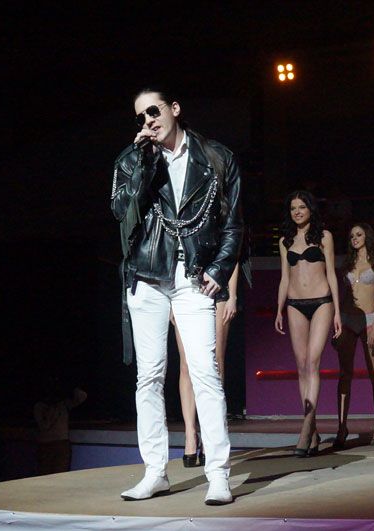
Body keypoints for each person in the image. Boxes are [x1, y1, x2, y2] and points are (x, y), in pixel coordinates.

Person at [110, 87, 242, 504]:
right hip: (147, 276)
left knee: (206, 373)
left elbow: (234, 224)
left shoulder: (216, 157)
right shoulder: (131, 160)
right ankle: (155, 473)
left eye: (153, 111)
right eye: (140, 117)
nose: (148, 120)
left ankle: (218, 474)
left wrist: (220, 271)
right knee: (149, 376)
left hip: (193, 277)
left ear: (175, 109)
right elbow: (122, 212)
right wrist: (143, 163)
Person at [275, 191, 341, 456]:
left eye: (302, 207)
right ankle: (312, 431)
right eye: (293, 208)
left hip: (322, 301)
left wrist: (337, 311)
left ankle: (306, 426)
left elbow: (332, 274)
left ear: (311, 209)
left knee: (313, 362)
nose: (298, 212)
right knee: (302, 366)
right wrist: (279, 309)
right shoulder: (285, 241)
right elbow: (284, 278)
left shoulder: (324, 237)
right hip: (294, 304)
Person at [172, 259, 248, 468]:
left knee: (215, 362)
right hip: (184, 291)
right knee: (186, 363)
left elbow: (232, 255)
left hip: (218, 289)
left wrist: (232, 296)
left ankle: (210, 435)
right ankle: (190, 434)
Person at [333, 223, 374, 447]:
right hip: (348, 319)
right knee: (345, 373)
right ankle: (342, 427)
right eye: (351, 236)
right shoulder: (347, 263)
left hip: (370, 318)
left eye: (359, 234)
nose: (354, 238)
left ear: (367, 236)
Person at [34, 379, 87, 475]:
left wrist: (72, 387)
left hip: (62, 444)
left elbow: (82, 396)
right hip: (46, 445)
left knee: (61, 474)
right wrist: (53, 409)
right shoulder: (40, 406)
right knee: (44, 475)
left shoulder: (64, 404)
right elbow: (44, 426)